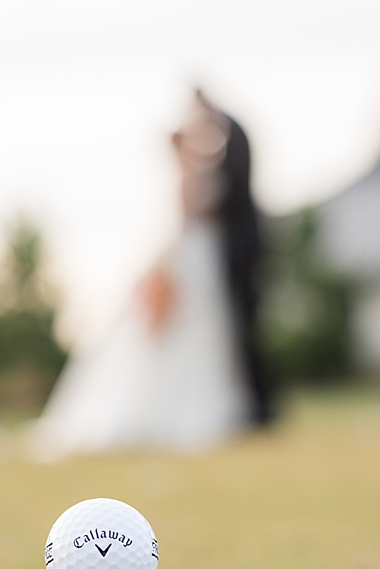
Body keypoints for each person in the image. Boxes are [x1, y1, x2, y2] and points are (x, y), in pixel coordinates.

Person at [30, 93, 268, 460]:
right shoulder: (190, 177)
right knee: (187, 335)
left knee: (204, 340)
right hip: (193, 261)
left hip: (203, 262)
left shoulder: (200, 171)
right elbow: (183, 229)